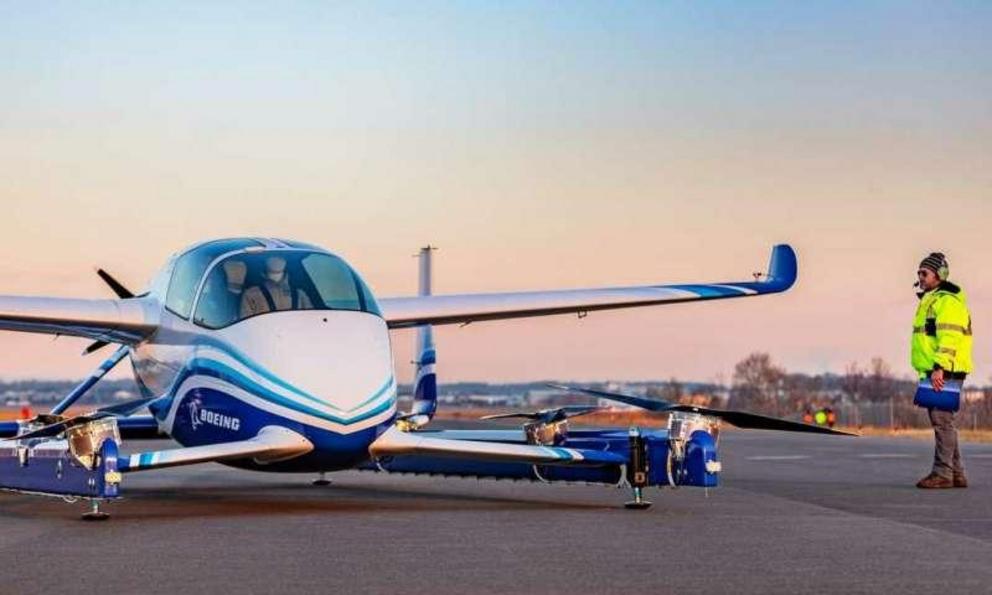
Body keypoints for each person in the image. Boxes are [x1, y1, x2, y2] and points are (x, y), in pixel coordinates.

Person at [911, 252, 973, 489]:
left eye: (924, 273)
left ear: (939, 275)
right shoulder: (933, 300)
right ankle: (956, 473)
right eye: (919, 273)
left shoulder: (947, 301)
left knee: (942, 422)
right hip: (936, 369)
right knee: (944, 421)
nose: (920, 277)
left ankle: (942, 473)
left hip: (943, 370)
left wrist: (940, 367)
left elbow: (950, 338)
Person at [240, 256, 313, 318]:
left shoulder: (300, 294)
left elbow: (311, 320)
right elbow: (247, 327)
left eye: (281, 255)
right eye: (272, 255)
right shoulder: (251, 294)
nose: (277, 257)